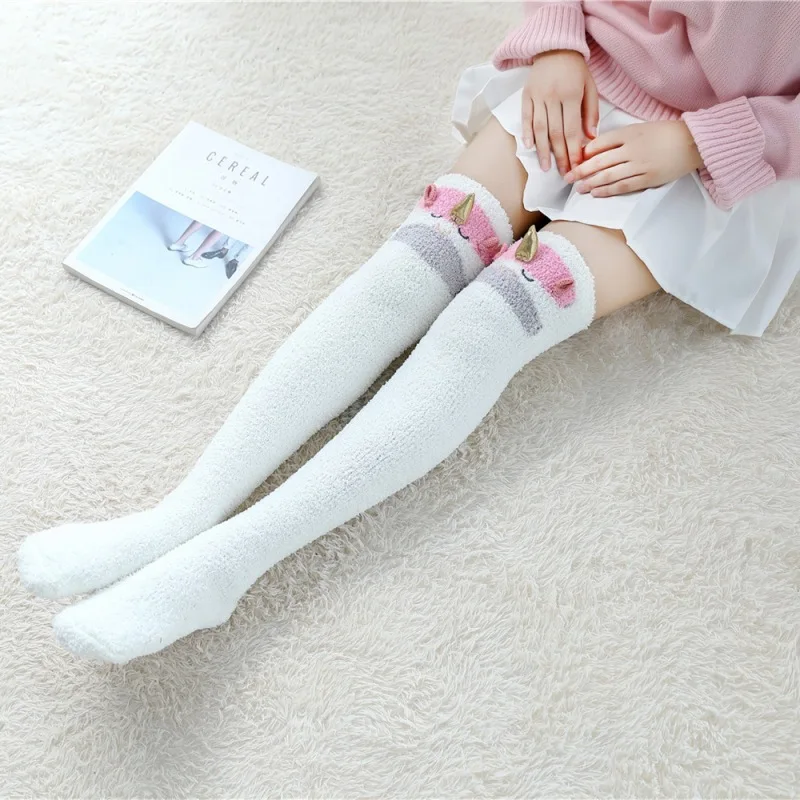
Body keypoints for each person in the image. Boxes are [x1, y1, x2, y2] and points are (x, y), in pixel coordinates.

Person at [19, 1, 800, 663]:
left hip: (723, 149)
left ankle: (227, 564)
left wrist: (694, 143)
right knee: (416, 259)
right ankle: (181, 515)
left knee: (499, 317)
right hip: (591, 68)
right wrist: (559, 39)